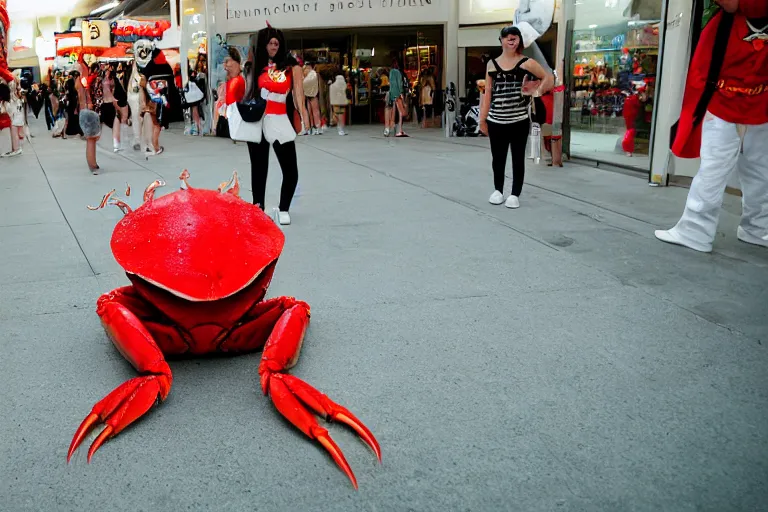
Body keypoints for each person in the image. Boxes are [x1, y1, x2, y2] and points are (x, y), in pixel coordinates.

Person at [655, 0, 768, 252]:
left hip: (756, 102)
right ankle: (708, 228)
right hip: (726, 101)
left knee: (753, 171)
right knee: (725, 169)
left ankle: (750, 227)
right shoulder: (730, 18)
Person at [479, 25, 553, 209]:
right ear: (501, 40)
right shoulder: (491, 65)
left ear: (520, 40)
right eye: (507, 37)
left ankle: (514, 193)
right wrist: (482, 118)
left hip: (519, 120)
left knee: (517, 158)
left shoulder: (527, 62)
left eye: (515, 37)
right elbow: (487, 93)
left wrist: (535, 90)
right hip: (496, 120)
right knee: (498, 158)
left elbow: (548, 78)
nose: (511, 40)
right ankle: (498, 190)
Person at [242, 24, 310, 225]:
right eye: (270, 43)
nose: (273, 47)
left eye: (276, 43)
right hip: (258, 121)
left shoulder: (291, 67)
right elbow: (245, 92)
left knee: (291, 170)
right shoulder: (253, 66)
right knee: (259, 168)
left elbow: (299, 95)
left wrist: (304, 119)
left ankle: (283, 208)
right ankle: (258, 207)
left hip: (280, 119)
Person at [385, 59, 408, 137]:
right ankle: (399, 130)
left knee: (391, 110)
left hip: (392, 94)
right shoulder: (398, 72)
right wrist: (401, 94)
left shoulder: (391, 72)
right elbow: (399, 84)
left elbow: (391, 84)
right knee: (401, 112)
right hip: (397, 94)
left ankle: (389, 127)